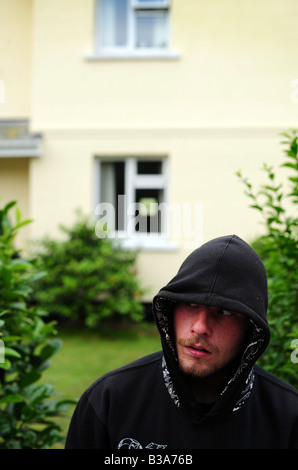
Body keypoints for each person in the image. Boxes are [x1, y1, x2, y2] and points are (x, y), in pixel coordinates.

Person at [65, 234, 298, 449]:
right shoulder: (109, 403)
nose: (200, 327)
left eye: (224, 312)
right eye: (191, 304)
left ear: (251, 328)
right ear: (170, 309)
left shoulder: (287, 417)